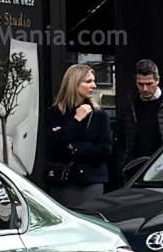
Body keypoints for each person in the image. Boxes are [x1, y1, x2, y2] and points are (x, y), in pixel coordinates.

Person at [44, 63, 112, 208]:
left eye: (94, 81)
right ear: (74, 84)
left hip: (91, 181)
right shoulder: (56, 113)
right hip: (62, 180)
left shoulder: (99, 115)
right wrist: (76, 120)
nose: (93, 85)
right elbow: (53, 148)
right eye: (88, 81)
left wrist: (74, 148)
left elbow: (105, 150)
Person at [113, 59, 163, 179]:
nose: (145, 89)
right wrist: (122, 167)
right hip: (135, 170)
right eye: (140, 84)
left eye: (149, 84)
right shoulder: (130, 105)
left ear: (157, 80)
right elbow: (121, 140)